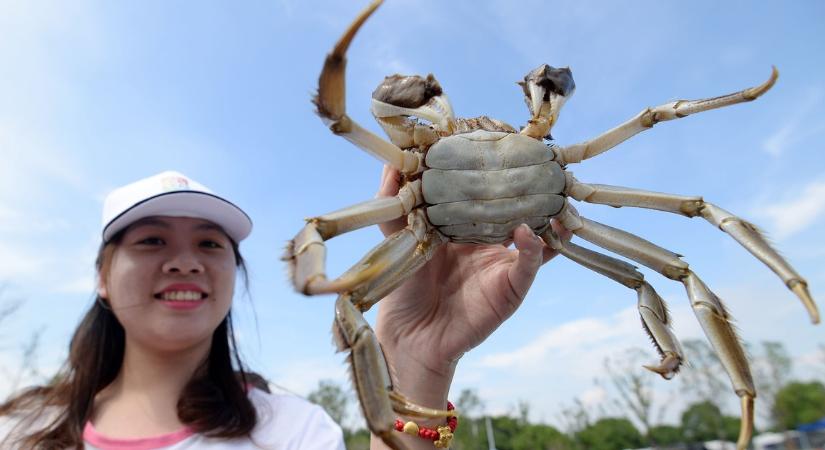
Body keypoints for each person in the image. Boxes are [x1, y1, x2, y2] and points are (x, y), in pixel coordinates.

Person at [0, 168, 565, 450]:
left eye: (209, 243)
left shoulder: (292, 430)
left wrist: (419, 358)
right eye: (150, 240)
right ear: (102, 274)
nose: (184, 261)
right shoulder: (19, 428)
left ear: (234, 275)